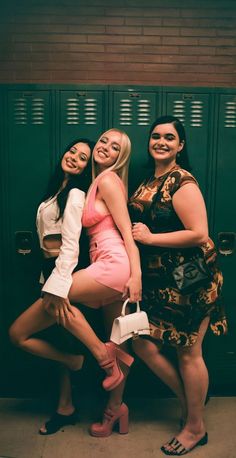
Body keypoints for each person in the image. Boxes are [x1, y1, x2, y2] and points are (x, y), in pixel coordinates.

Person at [9, 128, 142, 433]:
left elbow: (126, 233)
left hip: (114, 263)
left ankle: (102, 357)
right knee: (119, 339)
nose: (105, 147)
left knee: (56, 294)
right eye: (104, 141)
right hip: (102, 263)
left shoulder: (107, 180)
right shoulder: (96, 182)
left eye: (114, 146)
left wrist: (136, 275)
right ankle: (114, 410)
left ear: (121, 157)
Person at [128, 115, 227, 455]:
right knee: (141, 342)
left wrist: (151, 238)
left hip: (191, 280)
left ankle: (195, 427)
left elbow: (199, 232)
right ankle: (191, 400)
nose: (161, 142)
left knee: (188, 351)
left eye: (169, 138)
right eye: (156, 136)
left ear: (180, 145)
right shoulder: (148, 181)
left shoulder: (182, 181)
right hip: (161, 282)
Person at [9, 137, 94, 434]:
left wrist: (57, 285)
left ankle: (77, 362)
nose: (74, 157)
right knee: (61, 340)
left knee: (18, 334)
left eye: (83, 157)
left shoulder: (74, 195)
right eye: (73, 151)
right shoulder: (56, 192)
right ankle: (65, 406)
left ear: (87, 167)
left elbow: (71, 246)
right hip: (50, 275)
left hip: (62, 276)